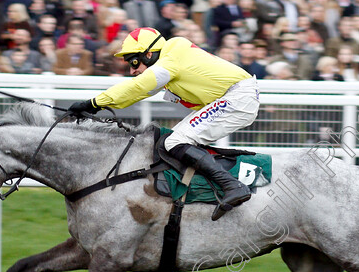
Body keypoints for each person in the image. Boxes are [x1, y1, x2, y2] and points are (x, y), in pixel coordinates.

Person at [68, 27, 258, 220]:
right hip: (235, 97)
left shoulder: (170, 60)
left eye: (134, 61)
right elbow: (141, 91)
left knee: (175, 142)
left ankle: (232, 186)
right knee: (175, 141)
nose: (132, 70)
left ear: (149, 54)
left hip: (236, 98)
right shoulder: (171, 56)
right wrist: (97, 105)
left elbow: (138, 87)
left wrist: (94, 103)